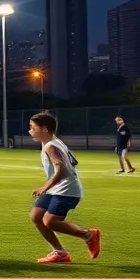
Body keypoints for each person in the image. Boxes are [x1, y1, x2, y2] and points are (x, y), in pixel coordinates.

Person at [28, 112, 101, 264]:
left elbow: (61, 169)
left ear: (45, 129)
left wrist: (44, 187)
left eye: (33, 127)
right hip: (56, 188)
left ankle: (88, 235)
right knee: (36, 216)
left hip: (67, 190)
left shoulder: (51, 146)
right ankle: (60, 252)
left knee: (50, 221)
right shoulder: (51, 141)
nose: (30, 131)